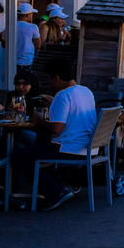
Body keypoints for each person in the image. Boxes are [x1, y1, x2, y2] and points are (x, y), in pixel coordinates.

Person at [14, 58, 96, 208]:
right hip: (88, 146)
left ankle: (55, 191)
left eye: (49, 79)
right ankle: (59, 186)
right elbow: (74, 114)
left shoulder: (63, 95)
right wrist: (54, 104)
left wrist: (38, 120)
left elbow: (56, 129)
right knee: (39, 147)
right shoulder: (86, 91)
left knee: (19, 156)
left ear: (57, 78)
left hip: (68, 148)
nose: (49, 83)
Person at [14, 4, 42, 68]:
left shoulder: (10, 26)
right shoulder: (33, 27)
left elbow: (4, 44)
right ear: (27, 15)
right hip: (27, 60)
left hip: (12, 61)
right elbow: (38, 46)